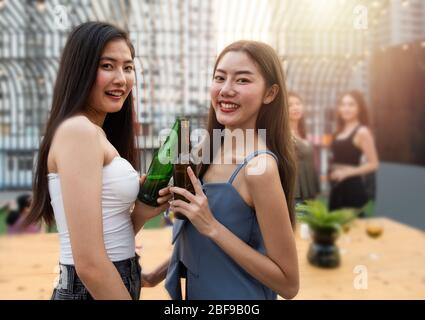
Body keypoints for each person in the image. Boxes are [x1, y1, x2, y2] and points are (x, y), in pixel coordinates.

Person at [25, 22, 171, 300]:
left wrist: (140, 212)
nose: (121, 79)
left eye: (128, 68)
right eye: (107, 66)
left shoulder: (95, 133)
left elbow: (106, 235)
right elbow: (90, 264)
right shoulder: (78, 132)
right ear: (80, 70)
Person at [144, 40, 299, 300]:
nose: (226, 90)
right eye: (220, 78)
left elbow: (288, 283)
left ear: (270, 94)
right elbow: (203, 244)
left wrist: (212, 226)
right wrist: (153, 276)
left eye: (242, 80)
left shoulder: (259, 168)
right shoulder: (207, 149)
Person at [328, 90, 379, 215]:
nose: (346, 108)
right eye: (343, 104)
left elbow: (374, 164)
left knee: (352, 231)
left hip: (352, 189)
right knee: (334, 232)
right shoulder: (339, 131)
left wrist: (347, 173)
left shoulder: (362, 132)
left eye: (351, 104)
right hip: (337, 188)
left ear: (359, 108)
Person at [288, 92, 320, 203]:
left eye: (298, 103)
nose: (295, 107)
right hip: (296, 194)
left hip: (309, 192)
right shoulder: (283, 134)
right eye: (290, 105)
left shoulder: (302, 133)